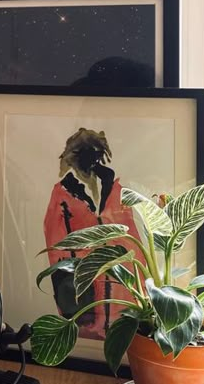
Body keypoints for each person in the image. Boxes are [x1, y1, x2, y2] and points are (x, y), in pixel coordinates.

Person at [43, 127, 140, 340]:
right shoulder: (62, 193)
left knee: (121, 326)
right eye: (83, 154)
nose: (91, 161)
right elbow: (55, 244)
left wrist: (141, 281)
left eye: (96, 153)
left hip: (121, 280)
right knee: (90, 329)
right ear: (72, 158)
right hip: (85, 283)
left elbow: (132, 235)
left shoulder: (115, 188)